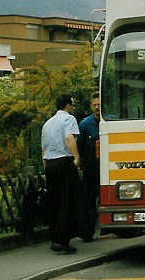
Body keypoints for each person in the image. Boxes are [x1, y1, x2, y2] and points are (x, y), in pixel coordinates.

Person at [41, 93, 81, 254]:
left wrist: (45, 166)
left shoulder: (47, 123)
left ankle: (54, 238)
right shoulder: (69, 119)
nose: (73, 106)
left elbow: (43, 148)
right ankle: (64, 240)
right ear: (68, 105)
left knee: (54, 201)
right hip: (63, 162)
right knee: (67, 201)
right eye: (72, 104)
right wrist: (76, 157)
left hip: (49, 164)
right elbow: (69, 138)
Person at [77, 91, 101, 239]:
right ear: (91, 107)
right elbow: (79, 146)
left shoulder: (110, 121)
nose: (97, 108)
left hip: (108, 169)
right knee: (89, 200)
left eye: (99, 104)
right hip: (90, 169)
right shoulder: (85, 124)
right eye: (95, 105)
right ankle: (88, 231)